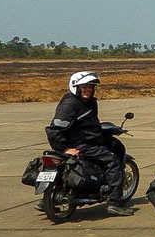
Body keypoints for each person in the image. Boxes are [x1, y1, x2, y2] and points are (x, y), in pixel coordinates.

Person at [44, 71, 133, 216]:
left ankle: (47, 200)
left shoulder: (88, 102)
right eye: (84, 87)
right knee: (114, 162)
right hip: (81, 146)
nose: (88, 90)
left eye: (90, 87)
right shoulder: (70, 104)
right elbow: (54, 130)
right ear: (75, 87)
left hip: (86, 142)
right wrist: (65, 148)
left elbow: (88, 124)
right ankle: (115, 203)